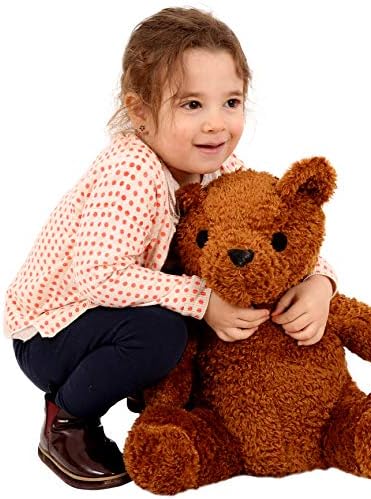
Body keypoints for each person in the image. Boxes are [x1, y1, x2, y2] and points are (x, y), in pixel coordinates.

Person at [4, 7, 337, 490]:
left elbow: (273, 229)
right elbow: (96, 276)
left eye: (231, 102)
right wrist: (202, 302)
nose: (216, 124)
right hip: (55, 332)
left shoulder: (219, 168)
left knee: (240, 293)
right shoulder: (131, 172)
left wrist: (319, 281)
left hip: (121, 310)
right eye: (192, 105)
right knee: (162, 334)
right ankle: (68, 418)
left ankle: (178, 394)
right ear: (139, 112)